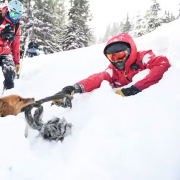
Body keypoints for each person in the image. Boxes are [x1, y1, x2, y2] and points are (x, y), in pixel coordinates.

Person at [51, 33, 170, 108]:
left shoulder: (142, 58)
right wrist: (74, 87)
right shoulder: (113, 70)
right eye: (112, 57)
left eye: (120, 56)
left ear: (131, 51)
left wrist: (135, 89)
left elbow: (162, 63)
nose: (116, 61)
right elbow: (98, 78)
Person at [0, 0, 23, 90]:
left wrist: (16, 62)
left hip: (5, 53)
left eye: (18, 15)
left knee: (10, 75)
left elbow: (16, 45)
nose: (15, 18)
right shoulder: (1, 19)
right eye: (14, 14)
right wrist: (2, 34)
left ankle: (7, 94)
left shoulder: (16, 26)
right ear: (8, 11)